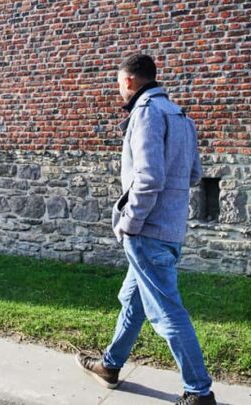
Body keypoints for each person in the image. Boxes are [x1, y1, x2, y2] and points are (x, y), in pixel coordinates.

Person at [75, 54, 216, 405]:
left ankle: (199, 392)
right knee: (133, 299)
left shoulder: (146, 113)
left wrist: (129, 224)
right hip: (170, 227)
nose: (118, 89)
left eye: (118, 83)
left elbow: (149, 177)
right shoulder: (181, 115)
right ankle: (109, 365)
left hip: (147, 230)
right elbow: (193, 174)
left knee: (166, 310)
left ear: (128, 82)